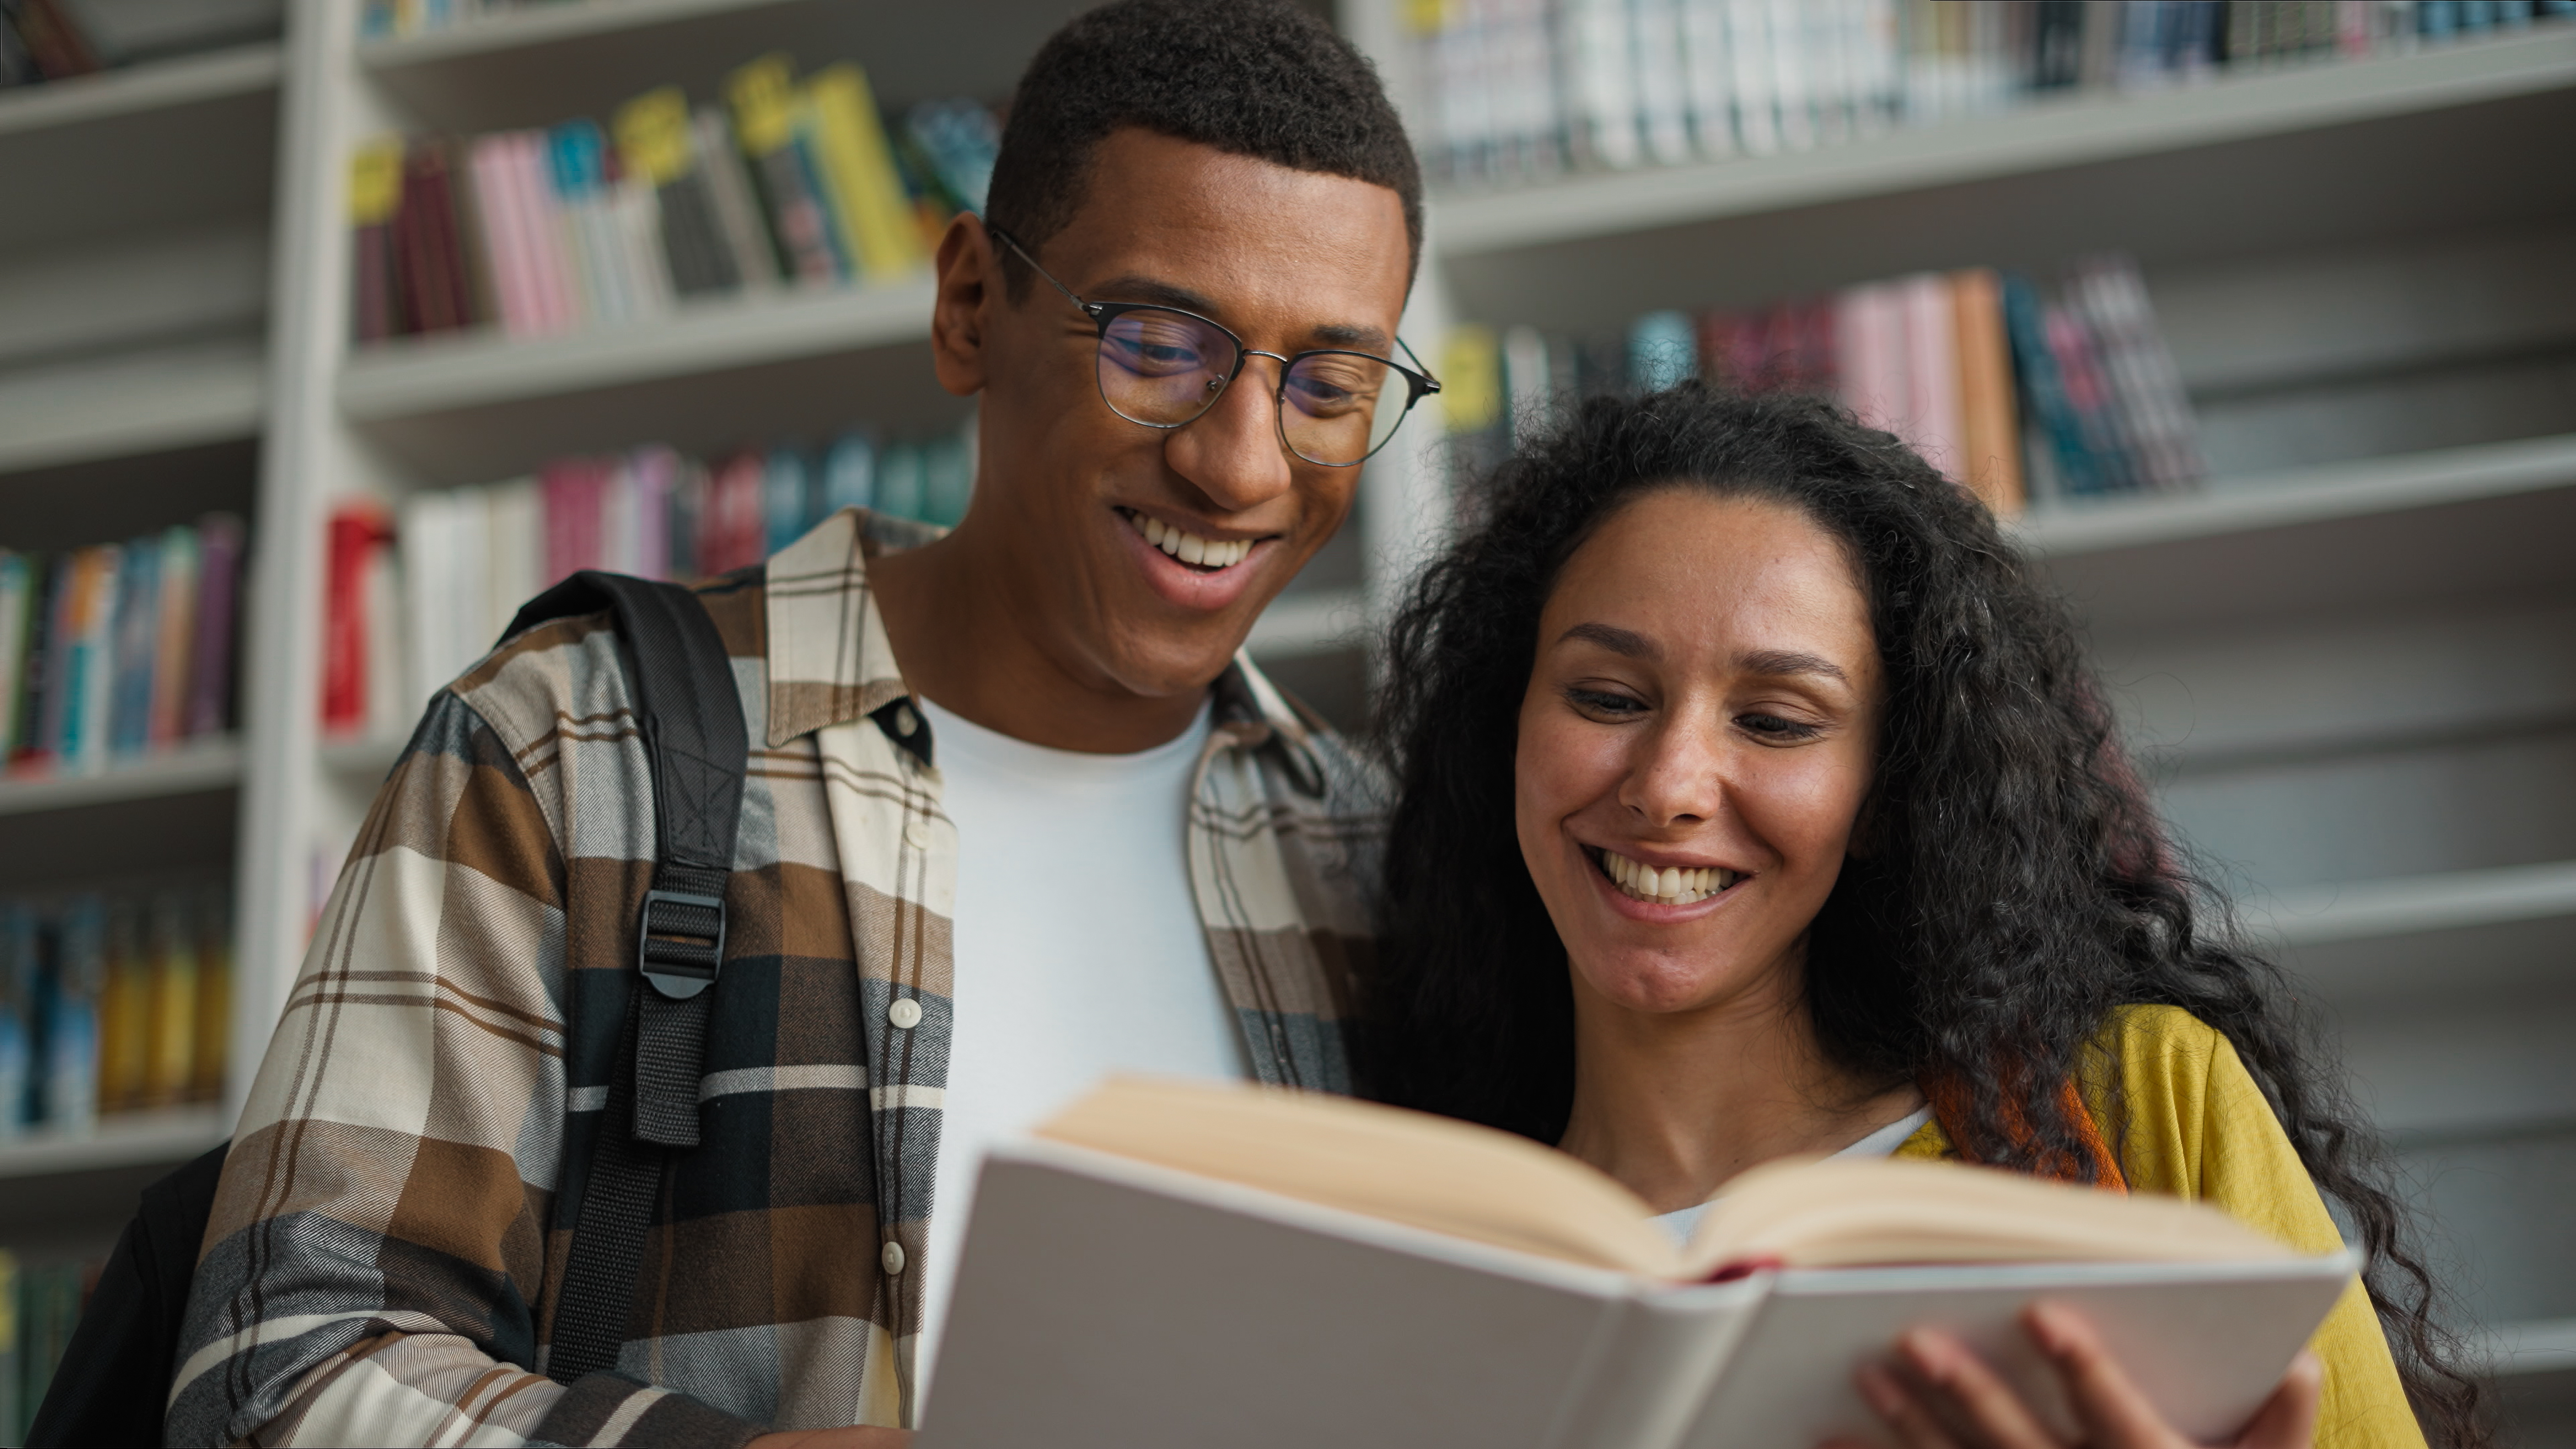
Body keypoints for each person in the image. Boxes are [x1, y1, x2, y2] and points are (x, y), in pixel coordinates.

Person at [169, 3, 1428, 1444]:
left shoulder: (1374, 856)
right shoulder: (568, 749)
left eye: (1330, 387)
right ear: (970, 305)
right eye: (1156, 344)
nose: (1240, 463)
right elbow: (278, 1372)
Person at [1366, 384, 2485, 1449]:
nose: (1670, 786)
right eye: (1608, 698)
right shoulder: (1419, 1271)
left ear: (1886, 797)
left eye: (1777, 720)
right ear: (1502, 726)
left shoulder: (2138, 1111)